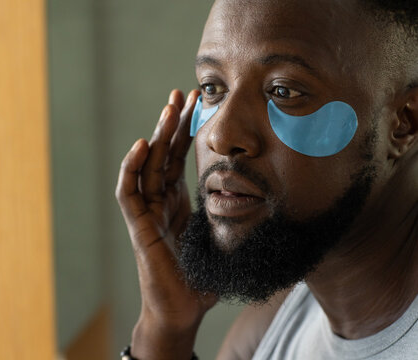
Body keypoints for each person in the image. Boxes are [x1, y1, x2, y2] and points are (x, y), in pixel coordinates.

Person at [115, 0, 418, 359]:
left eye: (283, 91)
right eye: (212, 87)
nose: (220, 136)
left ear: (403, 124)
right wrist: (164, 327)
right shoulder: (283, 314)